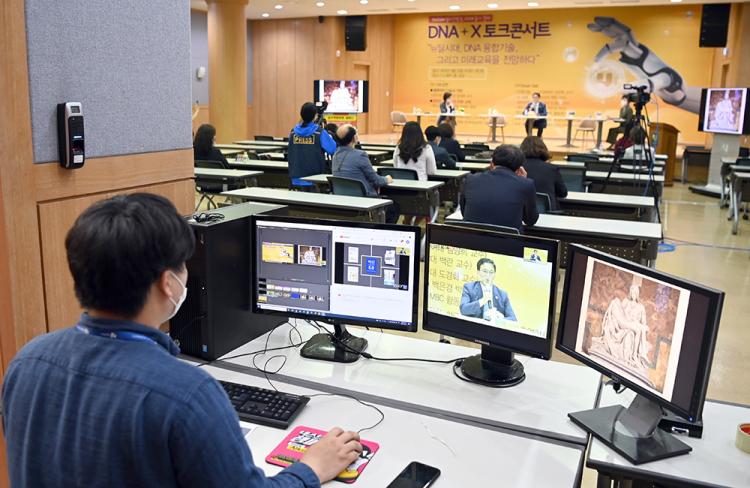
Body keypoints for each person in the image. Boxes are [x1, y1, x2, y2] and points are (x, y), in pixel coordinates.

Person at [1, 193, 362, 488]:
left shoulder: (27, 362)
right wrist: (311, 468)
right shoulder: (186, 393)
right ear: (167, 283)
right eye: (185, 265)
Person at [459, 144, 539, 233]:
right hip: (507, 240)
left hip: (470, 239)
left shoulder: (470, 179)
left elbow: (463, 212)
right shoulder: (526, 184)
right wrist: (522, 180)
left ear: (491, 163)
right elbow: (530, 220)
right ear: (519, 168)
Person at [332, 124, 399, 223]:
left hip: (343, 201)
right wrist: (387, 179)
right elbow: (376, 181)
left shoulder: (335, 155)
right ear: (354, 138)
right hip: (364, 202)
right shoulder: (360, 155)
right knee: (394, 208)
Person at [288, 102, 337, 185]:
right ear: (315, 116)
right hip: (315, 179)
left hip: (295, 178)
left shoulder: (292, 133)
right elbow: (333, 150)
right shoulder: (319, 133)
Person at [519, 136, 568, 211]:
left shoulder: (517, 167)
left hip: (522, 213)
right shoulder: (552, 169)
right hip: (548, 213)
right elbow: (562, 193)